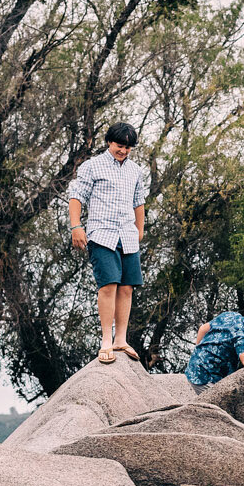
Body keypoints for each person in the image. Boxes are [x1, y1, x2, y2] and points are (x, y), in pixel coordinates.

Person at [68, 122, 149, 365]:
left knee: (127, 287)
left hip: (127, 234)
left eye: (128, 147)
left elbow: (139, 202)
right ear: (109, 143)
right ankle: (105, 340)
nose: (123, 150)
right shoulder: (92, 166)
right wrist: (76, 226)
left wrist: (139, 230)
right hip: (101, 233)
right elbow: (76, 196)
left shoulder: (135, 170)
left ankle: (120, 339)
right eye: (119, 145)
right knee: (108, 285)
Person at [184, 300, 244, 390]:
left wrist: (198, 354)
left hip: (192, 368)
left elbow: (203, 328)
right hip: (205, 379)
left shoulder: (230, 316)